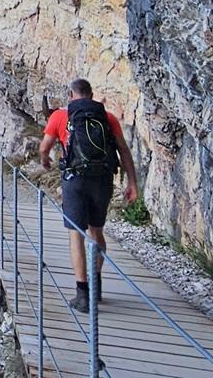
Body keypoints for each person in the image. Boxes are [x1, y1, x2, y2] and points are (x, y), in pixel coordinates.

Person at [38, 78, 140, 314]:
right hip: (102, 180)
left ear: (70, 95)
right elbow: (123, 150)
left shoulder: (60, 116)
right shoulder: (108, 117)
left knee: (76, 235)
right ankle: (96, 283)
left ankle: (83, 295)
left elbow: (44, 148)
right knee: (97, 231)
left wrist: (45, 161)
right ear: (91, 94)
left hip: (74, 181)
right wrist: (132, 183)